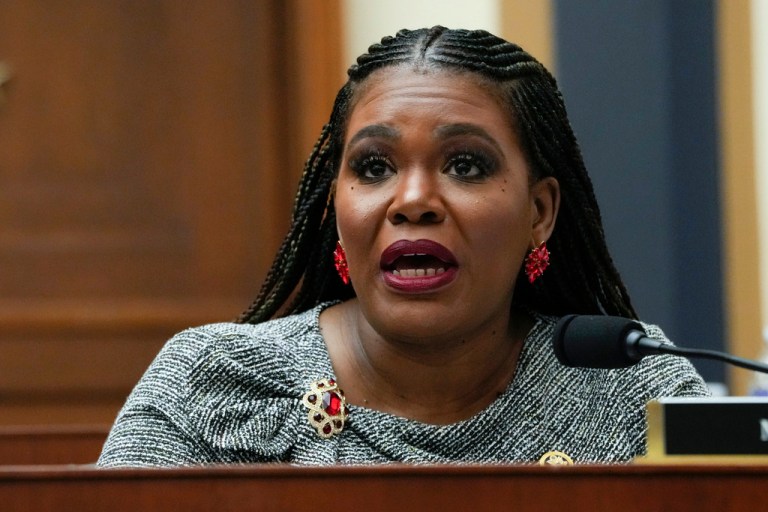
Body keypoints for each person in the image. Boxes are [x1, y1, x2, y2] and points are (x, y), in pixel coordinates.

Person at [98, 26, 708, 467]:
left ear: (539, 213)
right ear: (335, 206)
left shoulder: (635, 393)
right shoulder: (214, 383)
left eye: (466, 165)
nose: (413, 199)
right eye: (373, 166)